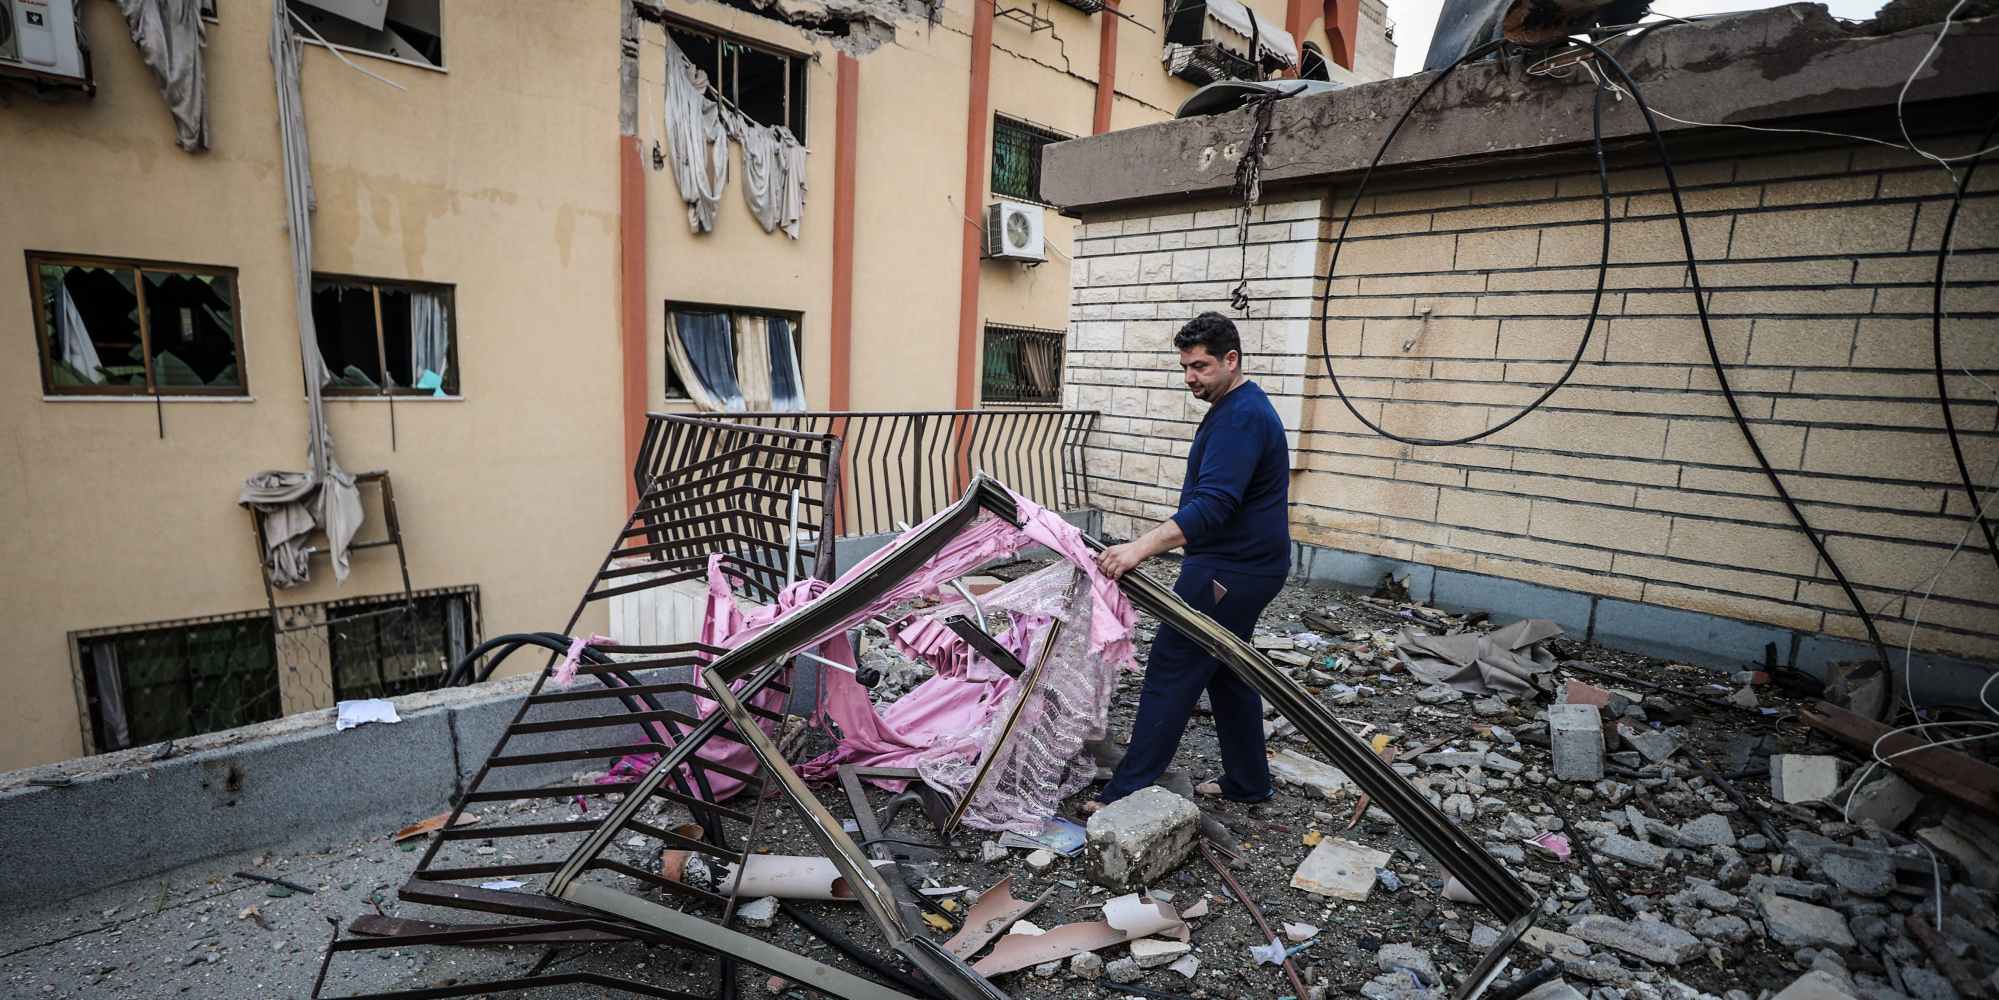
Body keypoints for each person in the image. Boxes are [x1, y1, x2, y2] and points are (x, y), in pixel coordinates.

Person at [1091, 310, 1292, 809]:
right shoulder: (1236, 407)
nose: (1190, 378)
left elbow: (1214, 504)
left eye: (1200, 366)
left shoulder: (1242, 415)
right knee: (1227, 671)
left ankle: (1127, 792)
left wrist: (1140, 547)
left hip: (1231, 569)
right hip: (1246, 565)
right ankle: (1249, 781)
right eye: (1185, 367)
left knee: (1172, 668)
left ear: (1231, 360)